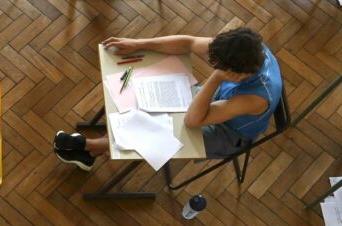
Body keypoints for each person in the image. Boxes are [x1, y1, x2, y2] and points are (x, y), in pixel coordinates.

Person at [54, 27, 282, 170]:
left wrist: (216, 78)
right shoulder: (245, 47)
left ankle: (92, 147)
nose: (214, 65)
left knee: (164, 133)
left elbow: (192, 121)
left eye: (220, 67)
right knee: (146, 100)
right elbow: (189, 43)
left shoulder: (257, 97)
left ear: (239, 73)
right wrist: (139, 44)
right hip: (218, 101)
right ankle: (92, 151)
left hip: (229, 132)